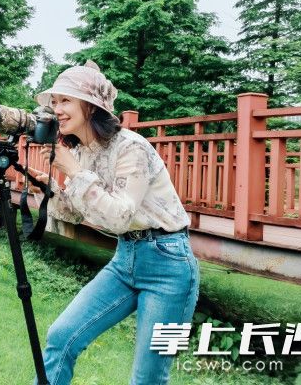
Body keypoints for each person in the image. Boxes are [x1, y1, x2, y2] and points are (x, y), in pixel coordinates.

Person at [28, 61, 198, 385]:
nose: (56, 109)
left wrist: (75, 175)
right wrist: (51, 191)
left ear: (90, 106)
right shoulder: (83, 153)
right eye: (55, 102)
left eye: (65, 100)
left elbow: (119, 215)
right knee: (61, 336)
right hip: (125, 259)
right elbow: (79, 214)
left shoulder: (132, 147)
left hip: (170, 265)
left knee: (148, 378)